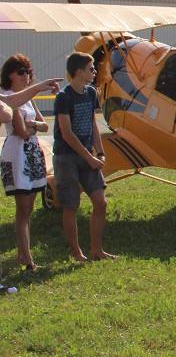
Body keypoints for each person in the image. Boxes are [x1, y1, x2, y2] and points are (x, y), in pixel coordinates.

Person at [53, 51, 114, 262]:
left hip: (87, 154)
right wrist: (89, 157)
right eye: (91, 69)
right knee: (71, 205)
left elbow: (92, 124)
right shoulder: (63, 97)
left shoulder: (90, 93)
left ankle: (96, 250)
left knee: (101, 203)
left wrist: (100, 151)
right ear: (79, 72)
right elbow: (67, 134)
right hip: (66, 157)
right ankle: (77, 253)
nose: (95, 71)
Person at [1, 55, 55, 272]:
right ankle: (27, 258)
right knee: (23, 208)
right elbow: (21, 133)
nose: (26, 76)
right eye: (21, 72)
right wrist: (31, 127)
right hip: (18, 154)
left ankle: (23, 254)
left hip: (33, 152)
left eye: (28, 72)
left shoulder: (28, 97)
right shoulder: (8, 97)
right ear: (10, 75)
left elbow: (44, 126)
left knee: (29, 208)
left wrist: (31, 124)